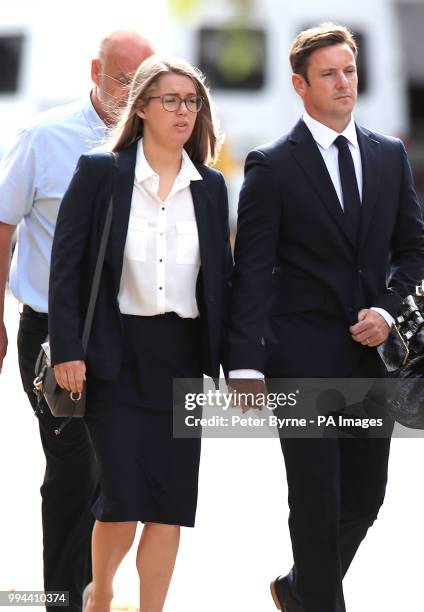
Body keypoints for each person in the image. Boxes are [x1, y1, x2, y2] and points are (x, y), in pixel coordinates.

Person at [227, 23, 424, 612]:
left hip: (371, 359)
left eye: (350, 70)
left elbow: (414, 249)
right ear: (299, 85)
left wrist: (389, 312)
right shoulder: (271, 166)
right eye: (329, 74)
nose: (344, 83)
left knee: (365, 497)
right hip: (299, 359)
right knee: (315, 499)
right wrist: (243, 364)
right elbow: (252, 272)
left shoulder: (389, 155)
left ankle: (298, 589)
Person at [48, 55, 232, 612]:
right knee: (123, 497)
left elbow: (222, 282)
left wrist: (238, 364)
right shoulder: (101, 172)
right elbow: (67, 266)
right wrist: (68, 349)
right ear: (142, 109)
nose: (184, 111)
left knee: (170, 502)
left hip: (181, 357)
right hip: (113, 354)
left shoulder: (211, 186)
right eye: (171, 100)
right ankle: (101, 592)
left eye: (192, 101)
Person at [0, 30, 153, 611]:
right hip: (53, 332)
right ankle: (64, 598)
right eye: (121, 79)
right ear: (95, 71)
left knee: (115, 470)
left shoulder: (157, 141)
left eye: (141, 82)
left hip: (133, 333)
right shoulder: (44, 137)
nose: (130, 93)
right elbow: (2, 222)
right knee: (72, 467)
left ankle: (96, 593)